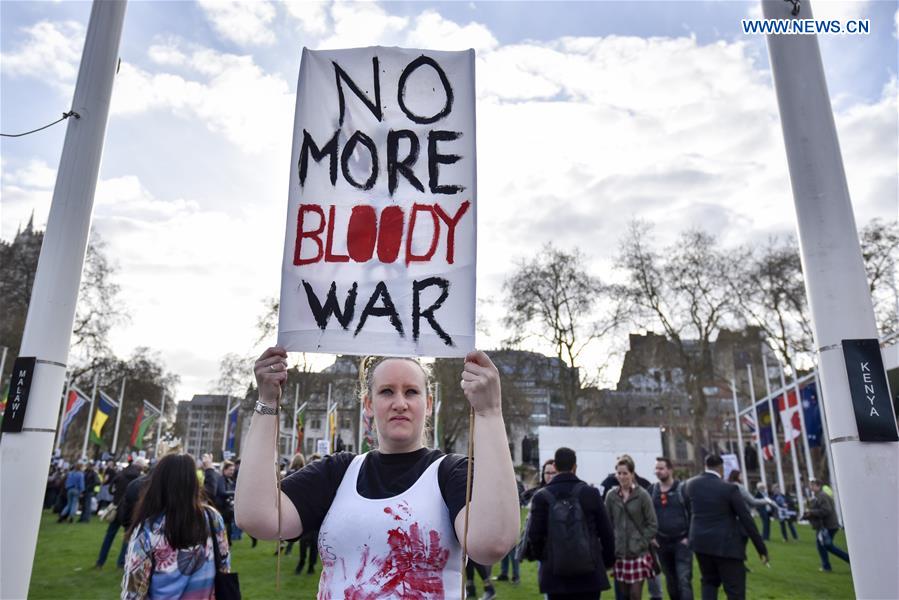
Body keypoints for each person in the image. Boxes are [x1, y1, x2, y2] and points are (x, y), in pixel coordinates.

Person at [235, 347, 520, 598]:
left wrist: (489, 412)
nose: (400, 403)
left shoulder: (451, 474)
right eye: (387, 391)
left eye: (411, 392)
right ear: (369, 405)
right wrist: (267, 403)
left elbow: (492, 543)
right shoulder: (338, 472)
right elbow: (256, 517)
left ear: (429, 404)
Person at [122, 453, 231, 599]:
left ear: (158, 483)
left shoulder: (150, 528)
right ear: (194, 482)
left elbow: (134, 591)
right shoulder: (212, 517)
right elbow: (224, 565)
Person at [526, 446, 615, 600]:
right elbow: (607, 533)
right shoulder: (591, 493)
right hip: (589, 574)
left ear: (555, 466)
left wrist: (544, 557)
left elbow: (534, 535)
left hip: (555, 575)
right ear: (575, 467)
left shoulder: (541, 497)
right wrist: (606, 562)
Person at [683, 454, 768, 600]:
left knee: (709, 582)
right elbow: (746, 519)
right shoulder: (729, 489)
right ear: (721, 468)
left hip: (700, 543)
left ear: (705, 465)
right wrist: (761, 548)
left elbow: (688, 511)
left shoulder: (690, 485)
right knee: (735, 589)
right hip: (727, 545)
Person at [605, 456, 657, 600]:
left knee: (635, 595)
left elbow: (652, 524)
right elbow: (607, 522)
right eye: (619, 473)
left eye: (625, 473)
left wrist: (641, 543)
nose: (622, 477)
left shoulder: (642, 495)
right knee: (624, 595)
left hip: (638, 553)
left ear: (632, 474)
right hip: (620, 553)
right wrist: (612, 543)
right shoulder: (611, 496)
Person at [651, 456, 693, 600]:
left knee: (683, 580)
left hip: (681, 541)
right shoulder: (652, 491)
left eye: (661, 468)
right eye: (656, 468)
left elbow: (693, 514)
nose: (658, 471)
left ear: (670, 470)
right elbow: (646, 516)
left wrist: (689, 537)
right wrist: (652, 536)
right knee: (671, 581)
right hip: (661, 543)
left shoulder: (683, 489)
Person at [801, 479, 849, 572]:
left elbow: (826, 510)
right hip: (825, 526)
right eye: (810, 485)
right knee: (823, 546)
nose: (811, 487)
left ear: (818, 486)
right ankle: (827, 566)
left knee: (826, 546)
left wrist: (811, 512)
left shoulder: (822, 496)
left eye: (813, 485)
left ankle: (846, 560)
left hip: (828, 526)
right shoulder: (818, 496)